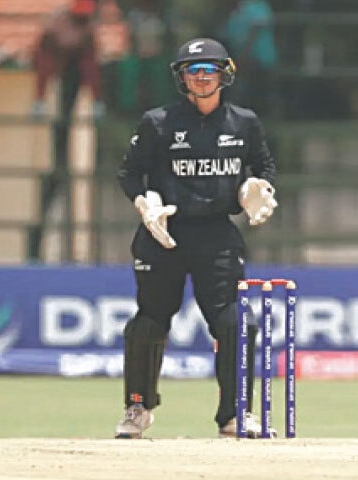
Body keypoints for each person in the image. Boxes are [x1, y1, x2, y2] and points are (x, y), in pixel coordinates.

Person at [114, 37, 278, 439]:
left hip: (217, 234)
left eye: (209, 70)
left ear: (224, 74)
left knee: (236, 322)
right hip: (163, 231)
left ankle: (235, 414)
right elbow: (129, 173)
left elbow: (265, 167)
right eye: (193, 71)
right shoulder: (157, 122)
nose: (202, 78)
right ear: (182, 77)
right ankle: (137, 407)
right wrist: (144, 204)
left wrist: (255, 190)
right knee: (148, 323)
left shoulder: (244, 122)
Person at [28, 0, 104, 259]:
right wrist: (38, 98)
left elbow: (90, 68)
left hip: (72, 81)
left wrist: (95, 99)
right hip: (57, 80)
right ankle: (56, 166)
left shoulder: (87, 36)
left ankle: (61, 164)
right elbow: (43, 66)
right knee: (54, 150)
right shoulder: (54, 32)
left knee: (69, 154)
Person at [218, 0, 277, 115]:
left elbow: (256, 29)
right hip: (239, 57)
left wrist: (245, 52)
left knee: (258, 90)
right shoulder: (236, 11)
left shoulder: (258, 6)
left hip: (260, 57)